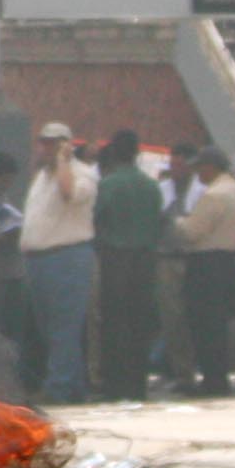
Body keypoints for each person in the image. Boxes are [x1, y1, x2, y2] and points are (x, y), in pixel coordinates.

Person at [20, 123, 99, 403]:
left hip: (66, 256)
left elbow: (69, 194)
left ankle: (59, 388)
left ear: (66, 145)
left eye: (52, 143)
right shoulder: (42, 176)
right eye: (42, 142)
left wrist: (65, 160)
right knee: (48, 328)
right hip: (38, 259)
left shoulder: (82, 174)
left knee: (65, 325)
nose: (45, 148)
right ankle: (74, 385)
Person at [89, 130, 164, 401]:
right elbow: (159, 223)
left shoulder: (109, 185)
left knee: (114, 322)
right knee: (139, 323)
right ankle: (138, 384)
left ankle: (115, 385)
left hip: (115, 258)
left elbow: (95, 219)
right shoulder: (151, 186)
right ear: (136, 153)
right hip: (145, 260)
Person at [174, 141, 235, 394]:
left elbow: (193, 231)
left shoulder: (214, 195)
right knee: (218, 324)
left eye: (200, 168)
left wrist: (178, 221)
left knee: (204, 325)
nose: (197, 174)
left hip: (207, 263)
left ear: (210, 167)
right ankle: (219, 377)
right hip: (228, 260)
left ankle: (212, 380)